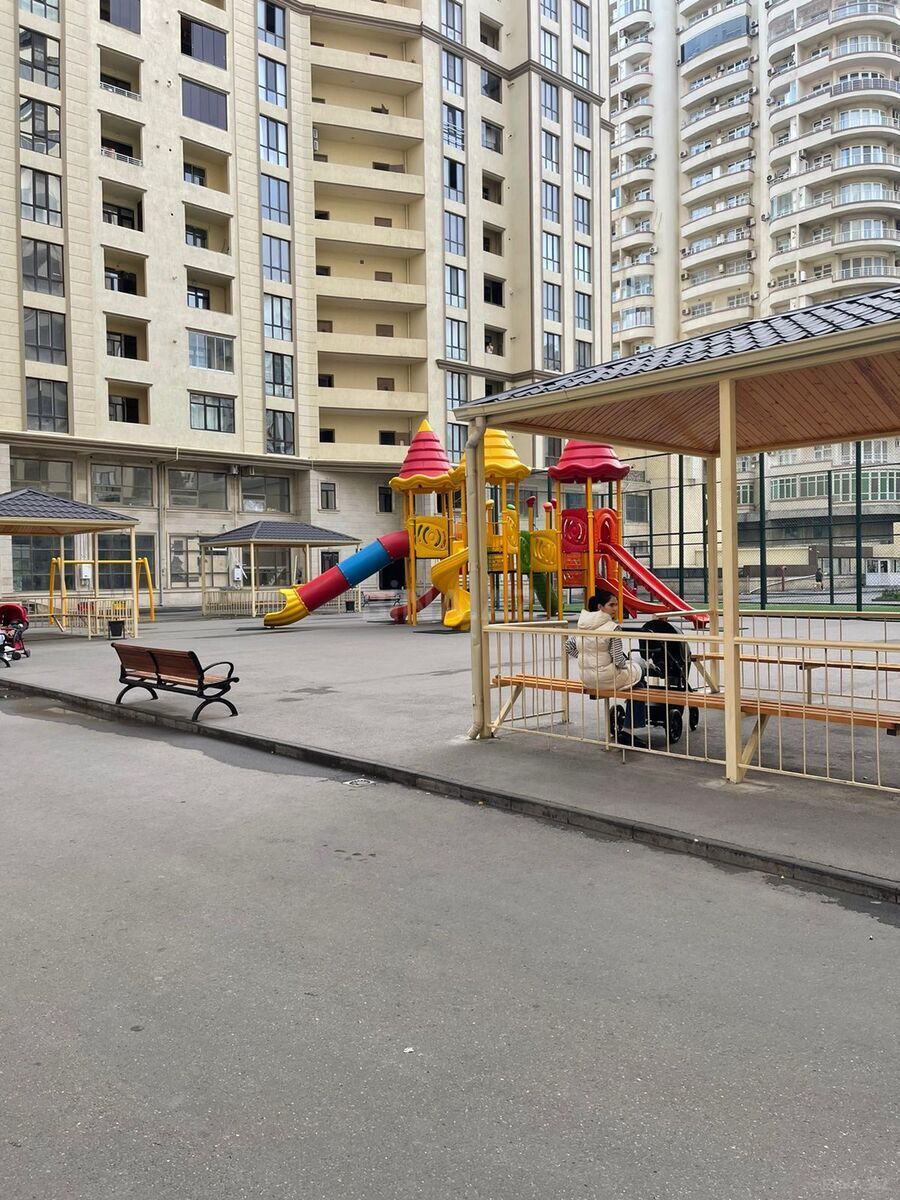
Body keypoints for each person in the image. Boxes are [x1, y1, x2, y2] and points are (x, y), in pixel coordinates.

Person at [576, 589, 643, 698]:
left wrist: (587, 657)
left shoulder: (583, 626)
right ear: (600, 607)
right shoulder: (612, 628)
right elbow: (618, 660)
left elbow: (569, 647)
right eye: (611, 605)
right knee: (639, 676)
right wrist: (628, 665)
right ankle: (635, 710)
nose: (615, 608)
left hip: (586, 679)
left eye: (616, 605)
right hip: (606, 678)